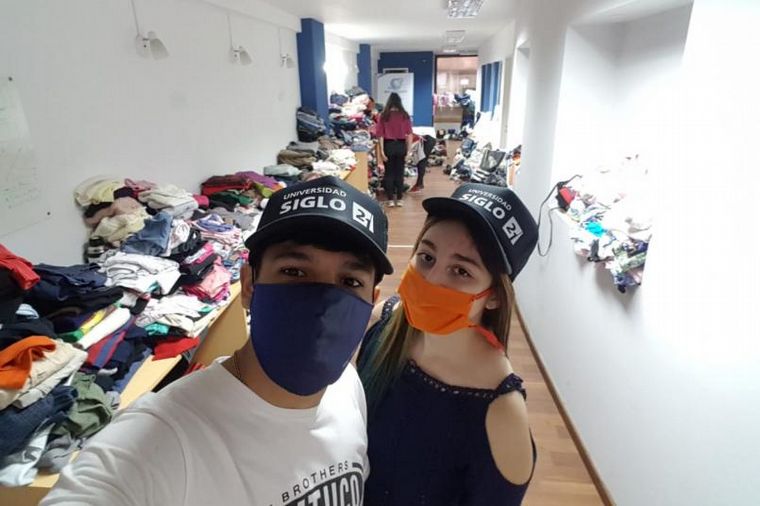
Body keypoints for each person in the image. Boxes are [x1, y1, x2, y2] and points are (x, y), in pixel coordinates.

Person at [41, 176, 393, 506]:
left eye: (350, 281)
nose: (322, 305)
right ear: (250, 285)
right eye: (294, 271)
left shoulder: (347, 387)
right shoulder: (158, 441)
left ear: (373, 299)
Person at [358, 183, 539, 505]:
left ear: (494, 297)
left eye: (460, 271)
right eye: (427, 257)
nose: (431, 279)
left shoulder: (502, 413)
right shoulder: (382, 322)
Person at [376, 92, 413, 208]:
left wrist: (382, 151)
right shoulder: (405, 115)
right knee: (400, 173)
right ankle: (400, 199)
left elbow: (380, 135)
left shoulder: (384, 116)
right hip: (401, 145)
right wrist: (409, 151)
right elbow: (409, 134)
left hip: (388, 145)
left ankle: (390, 199)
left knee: (389, 173)